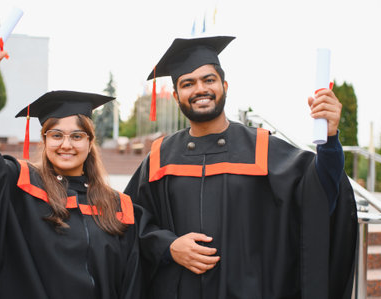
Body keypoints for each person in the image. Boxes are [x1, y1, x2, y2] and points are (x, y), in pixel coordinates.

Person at [124, 36, 358, 299]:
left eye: (208, 80)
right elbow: (129, 220)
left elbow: (319, 191)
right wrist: (168, 246)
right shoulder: (160, 157)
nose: (200, 89)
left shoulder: (262, 149)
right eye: (188, 84)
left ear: (224, 85)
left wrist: (329, 139)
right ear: (177, 96)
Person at [0, 46, 142, 299]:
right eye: (56, 135)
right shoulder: (21, 184)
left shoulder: (117, 206)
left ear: (90, 142)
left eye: (77, 136)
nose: (66, 144)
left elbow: (131, 281)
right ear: (44, 141)